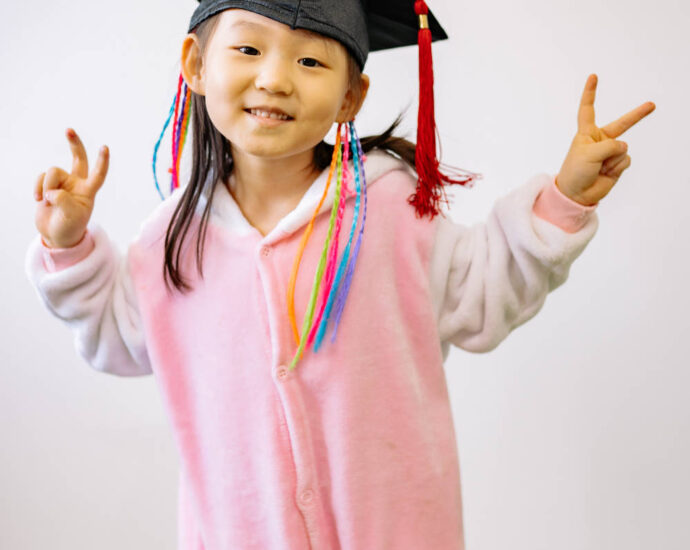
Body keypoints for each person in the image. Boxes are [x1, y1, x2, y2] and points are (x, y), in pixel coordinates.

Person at [25, 1, 655, 548]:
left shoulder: (389, 210)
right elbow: (117, 335)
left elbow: (483, 293)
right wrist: (69, 244)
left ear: (352, 96)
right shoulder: (173, 243)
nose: (275, 79)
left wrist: (565, 200)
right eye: (248, 48)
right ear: (195, 64)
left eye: (310, 62)